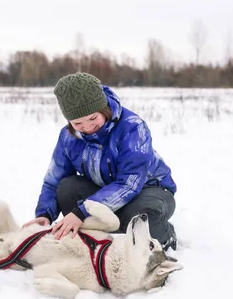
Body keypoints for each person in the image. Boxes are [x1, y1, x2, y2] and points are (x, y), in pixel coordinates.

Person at [23, 72, 178, 251]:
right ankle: (98, 237)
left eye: (92, 118)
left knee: (137, 215)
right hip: (104, 193)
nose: (87, 128)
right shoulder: (68, 136)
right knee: (66, 188)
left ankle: (164, 235)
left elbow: (130, 183)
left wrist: (82, 211)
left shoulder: (132, 127)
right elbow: (53, 181)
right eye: (78, 123)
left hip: (150, 192)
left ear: (103, 108)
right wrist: (45, 214)